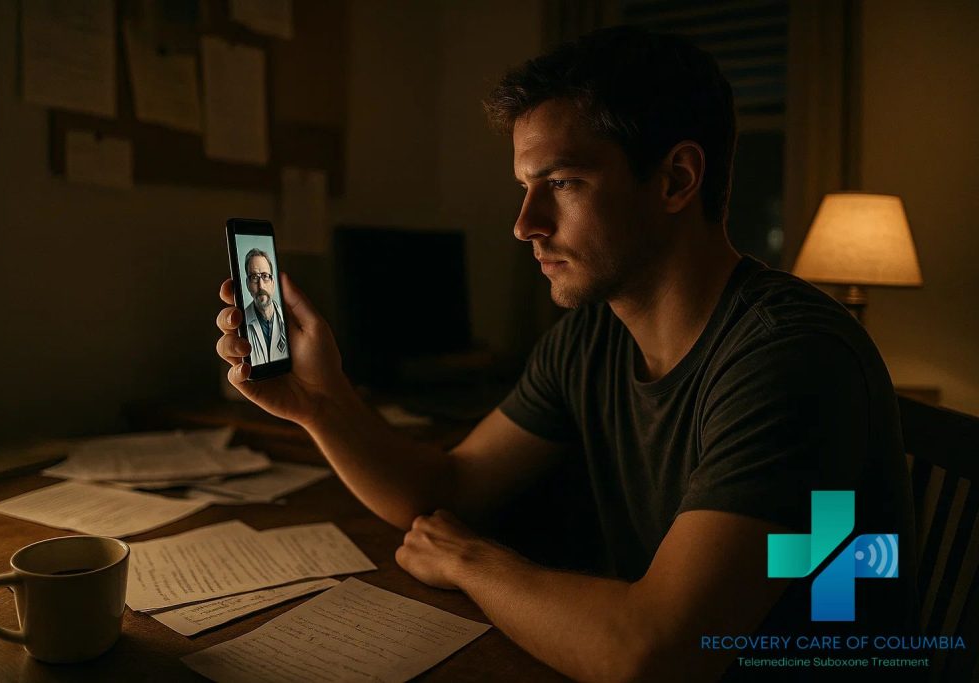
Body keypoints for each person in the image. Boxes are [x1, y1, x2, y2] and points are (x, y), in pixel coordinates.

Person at [216, 26, 919, 682]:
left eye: (562, 183)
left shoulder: (791, 356)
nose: (526, 224)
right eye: (525, 187)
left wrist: (473, 560)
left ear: (676, 179)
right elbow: (445, 490)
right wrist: (320, 401)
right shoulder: (592, 335)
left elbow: (655, 647)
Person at [241, 248, 287, 365]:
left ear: (273, 282)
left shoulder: (289, 320)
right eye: (254, 277)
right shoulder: (240, 323)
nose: (261, 285)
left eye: (265, 276)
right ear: (248, 284)